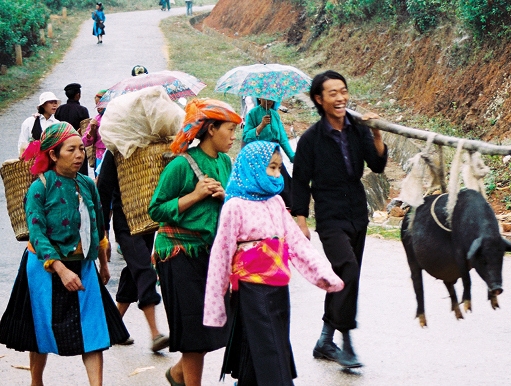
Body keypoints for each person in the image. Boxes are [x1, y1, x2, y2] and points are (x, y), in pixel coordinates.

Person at [203, 141, 344, 385]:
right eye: (272, 168)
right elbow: (221, 254)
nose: (277, 174)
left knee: (269, 343)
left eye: (279, 168)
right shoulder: (234, 206)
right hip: (251, 290)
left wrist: (324, 274)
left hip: (279, 288)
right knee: (269, 349)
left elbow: (297, 242)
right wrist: (215, 304)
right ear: (253, 167)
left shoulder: (276, 202)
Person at [0, 122, 128, 386]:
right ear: (54, 155)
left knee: (93, 331)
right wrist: (60, 268)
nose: (80, 155)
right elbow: (37, 234)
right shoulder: (40, 187)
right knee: (40, 330)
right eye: (72, 150)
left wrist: (102, 264)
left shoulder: (87, 184)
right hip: (44, 267)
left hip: (83, 266)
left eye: (82, 148)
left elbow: (98, 226)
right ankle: (37, 382)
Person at [292, 70, 387, 368]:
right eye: (333, 93)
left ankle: (324, 340)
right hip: (330, 214)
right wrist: (300, 219)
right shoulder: (311, 139)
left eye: (343, 91)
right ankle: (345, 342)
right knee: (347, 269)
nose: (341, 97)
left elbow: (378, 164)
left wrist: (376, 133)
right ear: (319, 100)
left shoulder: (357, 130)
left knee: (345, 276)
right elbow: (299, 181)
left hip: (358, 212)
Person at [148, 99, 241, 386]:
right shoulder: (180, 164)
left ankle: (178, 374)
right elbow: (156, 209)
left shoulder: (225, 162)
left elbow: (234, 205)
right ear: (211, 129)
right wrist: (195, 195)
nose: (233, 136)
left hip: (211, 255)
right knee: (191, 329)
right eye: (230, 129)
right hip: (178, 253)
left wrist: (225, 197)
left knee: (208, 326)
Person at [97, 150, 170, 352]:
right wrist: (102, 231)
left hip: (147, 220)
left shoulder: (153, 145)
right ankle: (155, 333)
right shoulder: (116, 149)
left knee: (133, 271)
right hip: (125, 221)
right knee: (144, 269)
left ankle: (112, 326)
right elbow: (103, 189)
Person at [243, 98, 295, 208]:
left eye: (272, 99)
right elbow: (246, 136)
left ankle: (284, 209)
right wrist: (261, 126)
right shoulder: (253, 113)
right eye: (266, 99)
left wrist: (292, 156)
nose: (269, 101)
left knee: (283, 183)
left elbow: (282, 138)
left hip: (275, 154)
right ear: (259, 98)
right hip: (260, 154)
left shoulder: (275, 115)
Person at [55, 83, 90, 175]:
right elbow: (85, 130)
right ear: (78, 95)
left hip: (62, 145)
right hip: (78, 144)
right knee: (80, 174)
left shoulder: (59, 109)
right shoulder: (82, 110)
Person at [18, 91, 60, 157]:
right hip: (31, 159)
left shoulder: (57, 124)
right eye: (51, 102)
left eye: (55, 103)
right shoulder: (29, 122)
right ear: (43, 105)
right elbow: (22, 142)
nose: (54, 105)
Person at [83, 90, 108, 176]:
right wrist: (92, 130)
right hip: (100, 155)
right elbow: (85, 142)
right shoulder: (96, 119)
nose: (98, 108)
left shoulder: (116, 117)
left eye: (101, 105)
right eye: (97, 105)